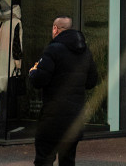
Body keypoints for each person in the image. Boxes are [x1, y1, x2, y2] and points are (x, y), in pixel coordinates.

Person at [27, 15, 98, 166]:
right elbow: (92, 81)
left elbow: (39, 80)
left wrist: (33, 72)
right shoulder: (85, 52)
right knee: (68, 160)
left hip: (52, 117)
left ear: (55, 29)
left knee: (44, 158)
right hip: (75, 117)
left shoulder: (53, 50)